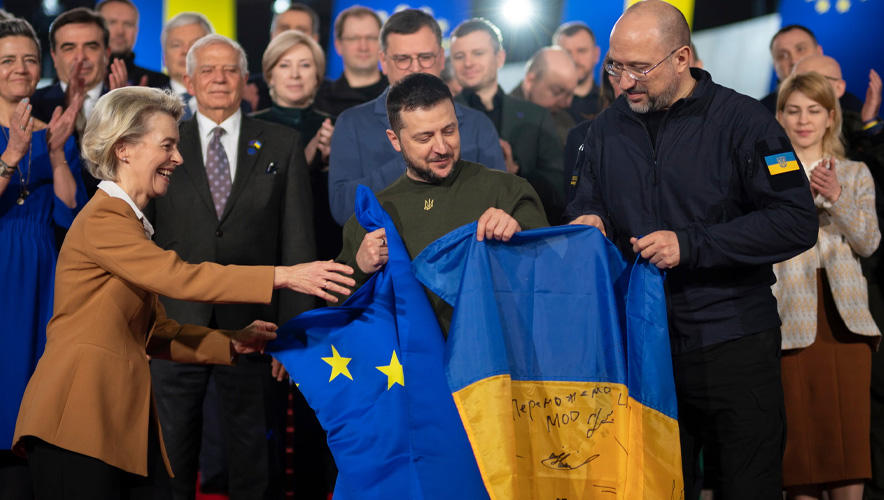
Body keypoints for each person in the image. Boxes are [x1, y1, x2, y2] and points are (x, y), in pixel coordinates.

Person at [11, 85, 354, 500]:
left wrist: (231, 342)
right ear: (124, 149)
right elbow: (179, 277)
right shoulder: (104, 219)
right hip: (76, 417)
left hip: (115, 420)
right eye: (167, 145)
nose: (179, 157)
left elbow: (157, 333)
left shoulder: (128, 223)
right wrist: (283, 276)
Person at [564, 1, 819, 498]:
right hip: (643, 345)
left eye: (640, 68)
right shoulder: (603, 130)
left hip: (733, 341)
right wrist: (589, 220)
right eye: (616, 66)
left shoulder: (745, 120)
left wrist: (691, 244)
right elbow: (586, 202)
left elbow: (794, 221)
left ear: (682, 58)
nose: (625, 81)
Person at [146, 34, 317, 500]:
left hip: (256, 326)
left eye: (229, 70)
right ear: (188, 81)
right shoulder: (161, 142)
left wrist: (293, 334)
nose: (219, 79)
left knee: (256, 461)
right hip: (174, 326)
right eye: (208, 70)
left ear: (245, 80)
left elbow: (297, 242)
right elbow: (144, 237)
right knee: (169, 461)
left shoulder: (282, 143)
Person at [335, 72, 548, 331]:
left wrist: (519, 235)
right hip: (406, 356)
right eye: (424, 138)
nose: (442, 147)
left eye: (449, 131)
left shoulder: (507, 191)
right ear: (395, 140)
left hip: (493, 352)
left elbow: (552, 275)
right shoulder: (373, 215)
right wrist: (360, 268)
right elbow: (337, 313)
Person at [773, 70, 881, 500]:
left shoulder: (854, 173)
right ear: (779, 116)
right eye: (794, 110)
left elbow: (869, 242)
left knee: (848, 446)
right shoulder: (767, 176)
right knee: (801, 455)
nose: (804, 120)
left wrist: (837, 196)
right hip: (789, 319)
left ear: (831, 117)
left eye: (814, 111)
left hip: (846, 322)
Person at [0, 18, 85, 500]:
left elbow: (70, 209)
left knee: (36, 384)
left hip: (43, 269)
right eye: (8, 59)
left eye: (29, 59)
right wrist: (12, 154)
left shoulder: (56, 130)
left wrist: (55, 153)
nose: (20, 68)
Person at [328, 9, 505, 226]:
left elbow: (501, 202)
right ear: (383, 61)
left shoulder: (478, 124)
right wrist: (412, 157)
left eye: (425, 57)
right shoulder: (352, 123)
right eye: (402, 59)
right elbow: (342, 209)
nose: (415, 68)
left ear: (441, 58)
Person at [450, 18, 564, 223]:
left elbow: (558, 186)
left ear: (500, 58)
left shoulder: (536, 116)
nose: (468, 63)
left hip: (524, 229)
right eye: (459, 56)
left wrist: (516, 172)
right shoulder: (442, 117)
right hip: (461, 229)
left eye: (478, 53)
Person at [252, 30, 341, 262]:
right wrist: (306, 159)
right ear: (270, 75)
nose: (295, 75)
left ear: (317, 76)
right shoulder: (252, 128)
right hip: (267, 249)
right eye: (284, 65)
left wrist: (332, 163)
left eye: (305, 65)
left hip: (327, 242)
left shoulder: (337, 126)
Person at [31, 7, 130, 197]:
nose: (80, 57)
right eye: (69, 48)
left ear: (107, 53)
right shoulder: (31, 107)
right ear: (54, 57)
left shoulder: (131, 107)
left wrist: (122, 112)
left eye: (91, 47)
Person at [760, 24, 863, 114]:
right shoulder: (760, 112)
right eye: (783, 56)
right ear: (775, 67)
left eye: (801, 49)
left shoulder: (851, 106)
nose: (794, 61)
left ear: (819, 52)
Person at [245, 3, 321, 113]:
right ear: (272, 35)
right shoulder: (247, 92)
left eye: (300, 30)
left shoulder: (331, 98)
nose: (291, 35)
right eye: (285, 29)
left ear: (315, 39)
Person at [314, 5, 388, 118]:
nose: (363, 47)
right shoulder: (319, 101)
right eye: (354, 38)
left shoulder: (400, 94)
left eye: (371, 38)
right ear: (338, 45)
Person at [509, 46, 578, 143]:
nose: (567, 103)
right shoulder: (502, 119)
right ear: (530, 81)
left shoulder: (566, 122)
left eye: (570, 94)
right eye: (557, 92)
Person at [96, 0, 170, 89]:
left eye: (128, 24)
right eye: (112, 22)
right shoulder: (83, 79)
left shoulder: (159, 84)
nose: (120, 31)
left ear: (136, 30)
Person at [161, 12, 213, 121]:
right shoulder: (147, 104)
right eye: (176, 45)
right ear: (164, 58)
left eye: (195, 44)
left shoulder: (237, 104)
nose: (186, 51)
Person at [553, 21, 601, 123]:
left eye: (581, 51)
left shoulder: (610, 103)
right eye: (567, 52)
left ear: (596, 54)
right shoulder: (545, 104)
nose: (574, 59)